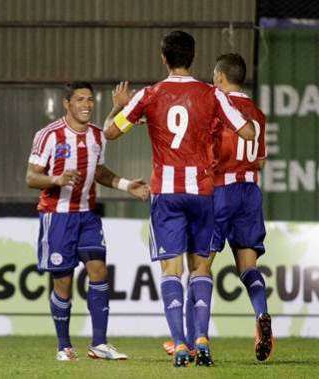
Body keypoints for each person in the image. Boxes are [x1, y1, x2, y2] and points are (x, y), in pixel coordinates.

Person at [103, 31, 255, 367]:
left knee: (171, 272)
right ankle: (201, 338)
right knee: (200, 268)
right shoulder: (212, 95)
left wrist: (120, 108)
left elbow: (110, 133)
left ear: (163, 58)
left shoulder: (150, 95)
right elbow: (247, 132)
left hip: (167, 194)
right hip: (202, 193)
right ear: (194, 57)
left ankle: (181, 345)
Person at [26, 81, 150, 361]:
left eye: (90, 100)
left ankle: (99, 344)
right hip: (57, 217)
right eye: (80, 100)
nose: (86, 105)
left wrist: (127, 184)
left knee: (99, 272)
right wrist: (56, 179)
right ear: (66, 104)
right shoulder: (49, 135)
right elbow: (31, 177)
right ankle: (64, 346)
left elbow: (100, 172)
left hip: (88, 216)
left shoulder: (97, 136)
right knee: (63, 284)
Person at [164, 53, 273, 362]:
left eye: (214, 77)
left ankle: (191, 338)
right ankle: (261, 314)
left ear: (222, 78)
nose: (213, 81)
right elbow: (261, 160)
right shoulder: (258, 115)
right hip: (250, 192)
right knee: (248, 268)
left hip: (221, 192)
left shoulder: (217, 109)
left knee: (200, 268)